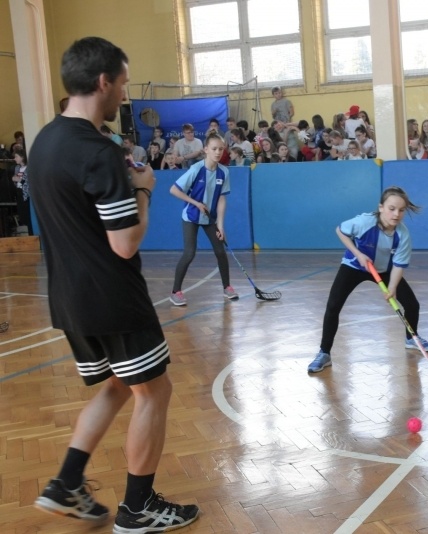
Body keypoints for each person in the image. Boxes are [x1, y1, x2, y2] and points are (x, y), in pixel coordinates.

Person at [28, 36, 200, 532]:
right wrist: (143, 191)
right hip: (113, 298)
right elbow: (125, 243)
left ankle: (65, 483)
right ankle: (138, 508)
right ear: (103, 82)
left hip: (68, 297)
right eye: (123, 83)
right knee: (154, 392)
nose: (125, 95)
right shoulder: (97, 151)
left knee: (119, 386)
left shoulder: (44, 141)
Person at [307, 186, 428, 373]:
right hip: (354, 266)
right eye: (391, 208)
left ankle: (411, 339)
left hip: (383, 270)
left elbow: (399, 265)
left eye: (401, 210)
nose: (396, 214)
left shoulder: (403, 235)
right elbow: (340, 230)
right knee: (333, 306)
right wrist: (357, 253)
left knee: (412, 305)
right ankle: (324, 353)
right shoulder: (365, 222)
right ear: (381, 207)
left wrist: (391, 288)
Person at [169, 133, 238, 306]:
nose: (218, 152)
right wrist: (195, 203)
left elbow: (222, 199)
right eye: (214, 149)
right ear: (206, 150)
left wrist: (221, 226)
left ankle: (227, 287)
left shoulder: (224, 171)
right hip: (191, 217)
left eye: (221, 149)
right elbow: (174, 190)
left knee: (220, 251)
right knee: (189, 253)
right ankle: (175, 291)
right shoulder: (196, 169)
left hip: (210, 218)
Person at [11, 146, 31, 234]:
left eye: (16, 157)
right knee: (22, 216)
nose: (15, 159)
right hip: (19, 193)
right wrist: (15, 180)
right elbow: (17, 180)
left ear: (22, 157)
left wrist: (20, 180)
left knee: (28, 216)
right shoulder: (17, 168)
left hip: (27, 195)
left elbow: (29, 182)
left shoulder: (29, 168)